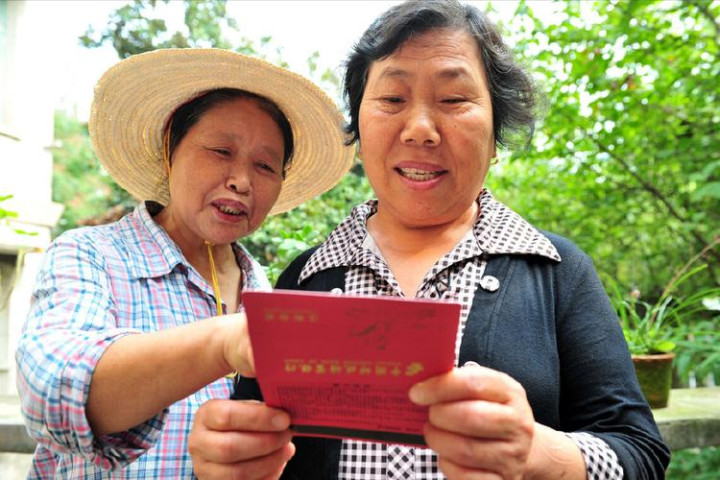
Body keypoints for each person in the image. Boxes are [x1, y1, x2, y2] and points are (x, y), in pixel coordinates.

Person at [189, 1, 671, 479]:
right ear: (359, 128)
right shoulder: (305, 278)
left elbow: (641, 453)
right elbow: (251, 438)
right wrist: (231, 458)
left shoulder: (556, 272)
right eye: (392, 99)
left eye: (454, 99)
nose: (420, 129)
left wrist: (539, 453)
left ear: (496, 132)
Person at [15, 48, 354, 478]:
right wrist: (222, 342)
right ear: (169, 148)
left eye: (265, 166)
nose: (241, 180)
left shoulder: (263, 291)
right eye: (220, 150)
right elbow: (49, 391)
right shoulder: (90, 255)